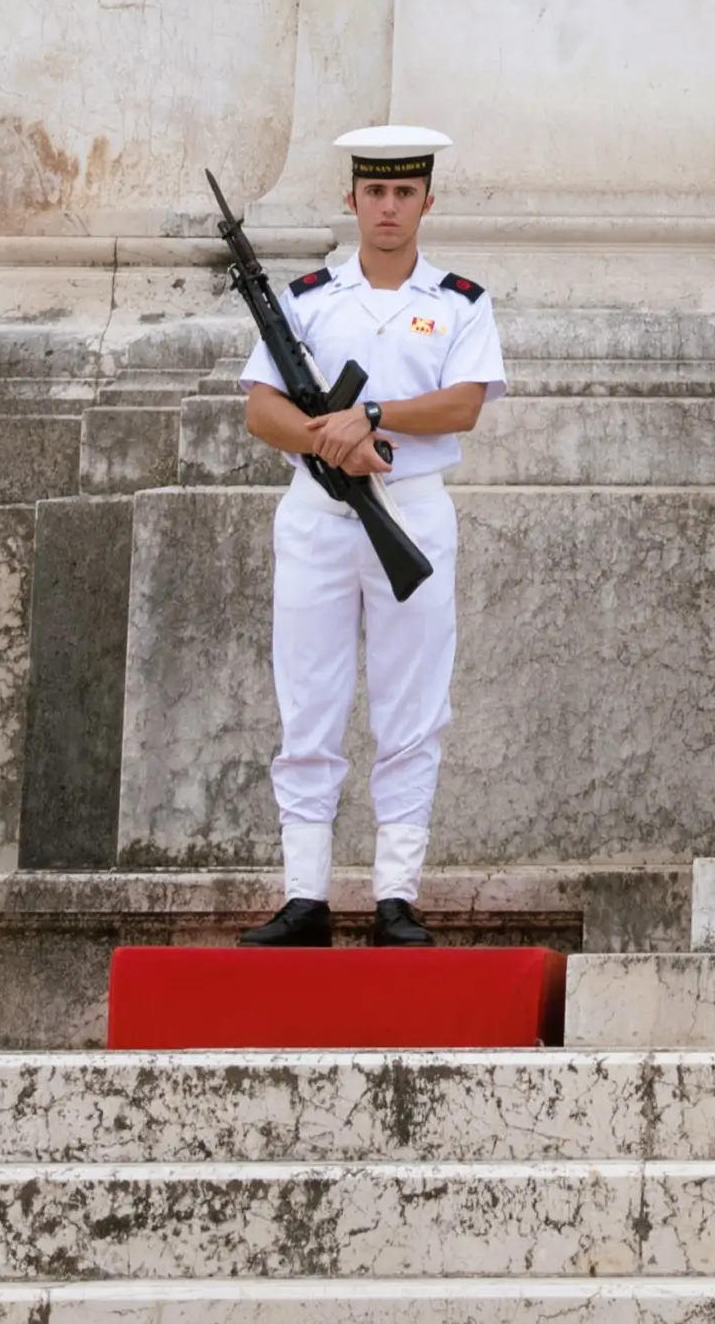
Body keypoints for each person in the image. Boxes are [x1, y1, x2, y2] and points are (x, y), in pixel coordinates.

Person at [237, 123, 500, 948]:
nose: (389, 207)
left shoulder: (460, 300)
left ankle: (396, 896)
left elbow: (464, 403)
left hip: (412, 507)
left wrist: (372, 416)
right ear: (351, 200)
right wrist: (327, 440)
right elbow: (260, 406)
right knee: (308, 701)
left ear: (427, 199)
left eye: (404, 192)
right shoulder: (308, 297)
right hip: (318, 514)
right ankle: (305, 894)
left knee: (411, 706)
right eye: (374, 192)